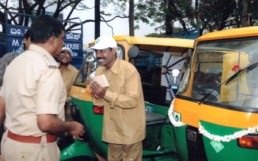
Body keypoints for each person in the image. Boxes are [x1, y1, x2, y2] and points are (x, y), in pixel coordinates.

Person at [0, 15, 84, 161]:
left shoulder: (14, 63)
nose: (62, 43)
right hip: (35, 152)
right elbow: (46, 123)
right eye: (62, 38)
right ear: (53, 39)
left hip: (9, 144)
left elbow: (1, 107)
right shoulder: (48, 69)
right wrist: (71, 126)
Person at [89, 35, 146, 161]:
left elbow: (132, 100)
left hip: (130, 131)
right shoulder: (99, 71)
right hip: (112, 131)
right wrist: (96, 94)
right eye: (96, 51)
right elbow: (99, 102)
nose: (98, 55)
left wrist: (105, 94)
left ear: (113, 51)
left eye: (102, 51)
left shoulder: (129, 70)